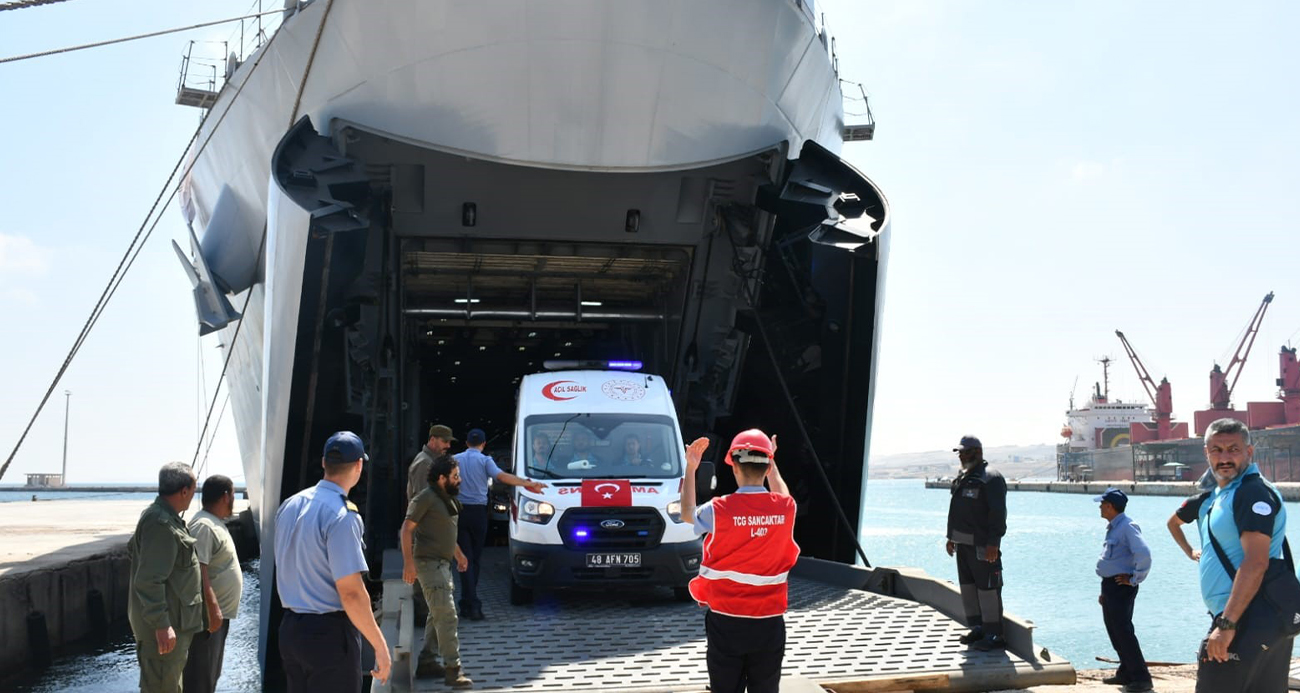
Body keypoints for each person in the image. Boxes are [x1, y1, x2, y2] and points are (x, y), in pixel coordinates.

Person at [1168, 418, 1291, 692]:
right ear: (1206, 453)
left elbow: (1256, 563)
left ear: (1249, 452)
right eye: (1217, 450)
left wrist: (1226, 624)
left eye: (1233, 449)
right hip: (1253, 616)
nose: (1224, 458)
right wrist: (1190, 551)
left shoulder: (1251, 493)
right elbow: (1173, 523)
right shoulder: (1222, 495)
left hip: (1245, 616)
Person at [682, 429, 798, 693]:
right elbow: (782, 494)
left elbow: (687, 513)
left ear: (733, 467)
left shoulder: (718, 510)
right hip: (769, 621)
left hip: (727, 620)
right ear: (768, 466)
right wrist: (771, 459)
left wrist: (691, 468)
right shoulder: (785, 508)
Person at [274, 431, 391, 692]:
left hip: (290, 630)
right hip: (328, 634)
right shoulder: (342, 515)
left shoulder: (289, 505)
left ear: (324, 463)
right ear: (359, 466)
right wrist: (380, 646)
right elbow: (350, 592)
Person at [454, 428, 547, 620]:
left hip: (460, 512)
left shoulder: (455, 459)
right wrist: (528, 484)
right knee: (475, 559)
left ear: (466, 443)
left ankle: (467, 602)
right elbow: (502, 477)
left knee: (464, 558)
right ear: (484, 444)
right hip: (478, 513)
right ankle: (473, 604)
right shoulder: (485, 460)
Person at [128, 462, 204, 693]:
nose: (193, 495)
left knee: (169, 686)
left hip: (174, 623)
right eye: (193, 489)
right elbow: (149, 580)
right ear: (184, 491)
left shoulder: (164, 517)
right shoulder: (160, 524)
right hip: (164, 629)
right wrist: (162, 625)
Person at [401, 454, 473, 687]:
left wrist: (459, 555)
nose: (459, 479)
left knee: (436, 614)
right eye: (455, 476)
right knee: (447, 615)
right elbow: (406, 529)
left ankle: (428, 662)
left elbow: (446, 533)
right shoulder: (426, 498)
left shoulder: (446, 498)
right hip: (428, 564)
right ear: (442, 478)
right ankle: (453, 669)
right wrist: (408, 563)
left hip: (442, 564)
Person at [944, 435, 1008, 650]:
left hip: (983, 545)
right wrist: (950, 537)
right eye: (959, 452)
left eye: (965, 451)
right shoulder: (964, 476)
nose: (961, 455)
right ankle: (978, 628)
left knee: (988, 590)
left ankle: (994, 635)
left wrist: (994, 543)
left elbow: (998, 513)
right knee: (969, 589)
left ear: (977, 452)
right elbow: (957, 511)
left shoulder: (990, 478)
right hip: (962, 545)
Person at [183, 475, 243, 693]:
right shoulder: (204, 526)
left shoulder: (214, 523)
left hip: (216, 618)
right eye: (234, 494)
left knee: (209, 677)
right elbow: (198, 571)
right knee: (200, 680)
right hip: (207, 621)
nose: (234, 499)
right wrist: (213, 610)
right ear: (226, 496)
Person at [1093, 488, 1153, 693]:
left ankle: (1142, 679)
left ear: (1110, 506)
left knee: (1124, 632)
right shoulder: (1114, 527)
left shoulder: (1127, 526)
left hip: (1121, 586)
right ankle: (1126, 672)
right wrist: (1105, 590)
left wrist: (1135, 578)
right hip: (1111, 586)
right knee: (1114, 630)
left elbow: (1144, 554)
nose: (1100, 507)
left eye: (1102, 504)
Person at [408, 424, 456, 502]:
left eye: (449, 442)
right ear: (433, 439)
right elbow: (421, 498)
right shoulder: (424, 462)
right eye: (445, 441)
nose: (448, 446)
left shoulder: (431, 460)